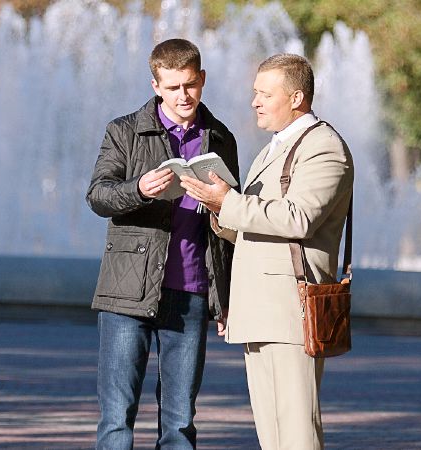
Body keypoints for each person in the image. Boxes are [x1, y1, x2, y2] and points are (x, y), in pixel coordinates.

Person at [181, 54, 354, 449]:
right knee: (272, 436)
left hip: (291, 309)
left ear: (296, 98)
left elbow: (298, 219)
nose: (255, 102)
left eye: (264, 94)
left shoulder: (324, 147)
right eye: (254, 93)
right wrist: (217, 207)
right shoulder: (276, 146)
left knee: (296, 432)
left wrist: (229, 201)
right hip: (262, 310)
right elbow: (257, 224)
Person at [85, 38, 239, 449]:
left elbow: (230, 229)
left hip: (191, 293)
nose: (183, 96)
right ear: (155, 85)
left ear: (202, 79)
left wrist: (225, 298)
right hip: (126, 291)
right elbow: (98, 195)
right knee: (117, 418)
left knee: (181, 422)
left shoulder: (221, 138)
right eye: (172, 88)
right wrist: (138, 188)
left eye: (190, 85)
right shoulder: (124, 131)